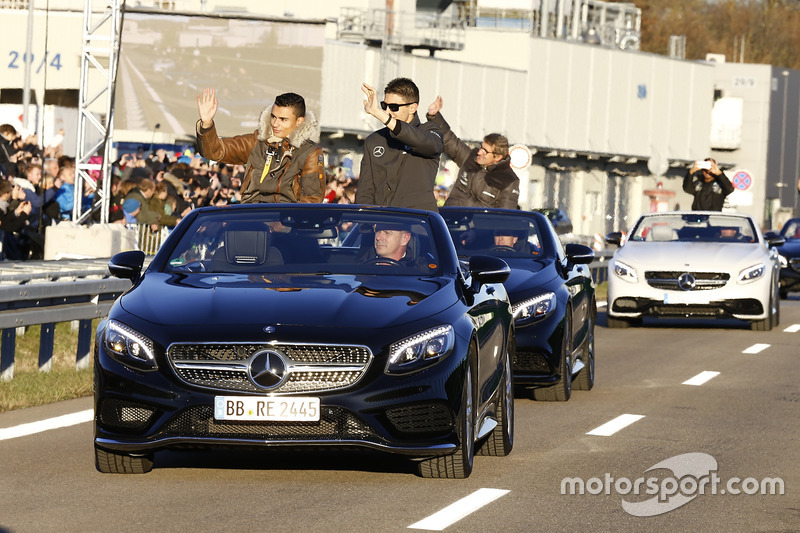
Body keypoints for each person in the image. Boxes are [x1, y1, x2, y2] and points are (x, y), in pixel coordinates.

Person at [195, 88, 325, 204]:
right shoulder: (257, 141)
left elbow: (311, 201)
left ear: (299, 121)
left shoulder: (310, 153)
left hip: (285, 223)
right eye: (273, 117)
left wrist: (283, 225)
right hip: (251, 217)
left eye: (283, 119)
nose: (275, 123)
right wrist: (207, 124)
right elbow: (215, 152)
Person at [356, 77, 443, 211]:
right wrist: (367, 223)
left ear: (412, 108)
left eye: (394, 107)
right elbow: (365, 192)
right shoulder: (374, 140)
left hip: (416, 225)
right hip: (382, 225)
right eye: (384, 106)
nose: (387, 112)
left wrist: (378, 113)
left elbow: (422, 142)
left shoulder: (430, 132)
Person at [426, 96, 520, 209]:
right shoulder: (470, 157)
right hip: (450, 219)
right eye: (481, 147)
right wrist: (434, 116)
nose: (479, 152)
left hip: (477, 225)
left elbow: (505, 216)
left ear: (498, 157)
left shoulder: (509, 181)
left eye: (485, 151)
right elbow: (450, 141)